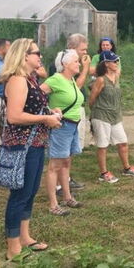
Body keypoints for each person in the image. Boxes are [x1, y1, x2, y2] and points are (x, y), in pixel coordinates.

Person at [0, 38, 61, 260]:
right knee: (20, 194)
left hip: (35, 143)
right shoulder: (17, 80)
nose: (41, 56)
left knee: (31, 191)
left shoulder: (31, 79)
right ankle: (13, 247)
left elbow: (31, 107)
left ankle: (25, 237)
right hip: (21, 146)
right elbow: (14, 116)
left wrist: (49, 110)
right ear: (24, 56)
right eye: (37, 53)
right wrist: (45, 118)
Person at [41, 49, 85, 216]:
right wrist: (49, 111)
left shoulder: (71, 79)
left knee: (66, 162)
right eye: (76, 61)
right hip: (61, 127)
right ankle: (53, 204)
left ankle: (67, 197)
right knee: (55, 165)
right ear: (65, 64)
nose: (78, 63)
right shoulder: (56, 79)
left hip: (72, 126)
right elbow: (36, 95)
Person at [89, 51, 134, 182]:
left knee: (123, 142)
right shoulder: (101, 80)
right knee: (103, 145)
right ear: (106, 64)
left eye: (117, 61)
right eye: (114, 61)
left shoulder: (116, 76)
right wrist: (97, 113)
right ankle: (104, 173)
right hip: (101, 115)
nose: (117, 63)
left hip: (115, 116)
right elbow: (92, 100)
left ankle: (126, 168)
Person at [0, 38, 11, 138]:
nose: (10, 49)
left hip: (3, 98)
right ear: (2, 48)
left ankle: (2, 149)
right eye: (9, 46)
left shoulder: (3, 61)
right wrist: (3, 80)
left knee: (4, 126)